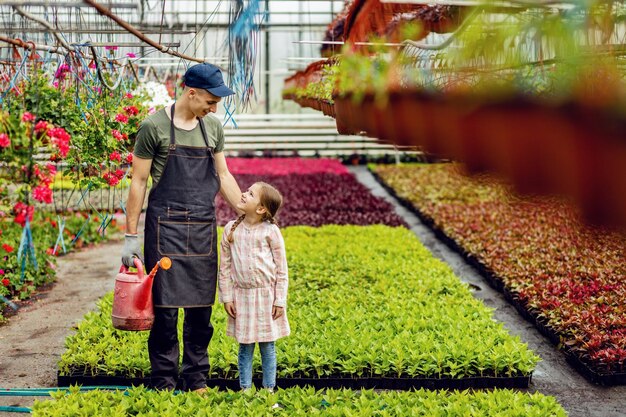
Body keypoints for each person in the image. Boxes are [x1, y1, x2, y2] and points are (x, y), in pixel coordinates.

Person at [121, 62, 242, 392]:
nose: (214, 108)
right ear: (191, 93)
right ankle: (162, 379)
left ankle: (196, 377)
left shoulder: (213, 128)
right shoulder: (154, 127)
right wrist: (130, 236)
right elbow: (139, 182)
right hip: (164, 230)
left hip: (202, 228)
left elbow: (224, 175)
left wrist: (243, 209)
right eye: (210, 101)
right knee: (165, 312)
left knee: (201, 311)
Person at [218, 182, 290, 392]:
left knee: (268, 347)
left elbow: (281, 270)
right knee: (245, 346)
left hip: (267, 298)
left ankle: (269, 390)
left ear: (261, 209)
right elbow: (224, 268)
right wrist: (227, 298)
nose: (243, 194)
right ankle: (245, 391)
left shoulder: (271, 232)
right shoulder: (231, 230)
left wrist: (280, 300)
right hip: (242, 298)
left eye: (250, 194)